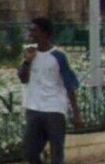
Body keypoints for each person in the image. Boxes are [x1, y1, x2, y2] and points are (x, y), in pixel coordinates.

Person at [19, 18, 83, 164]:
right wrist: (27, 61)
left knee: (56, 153)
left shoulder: (58, 57)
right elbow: (22, 78)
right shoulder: (29, 54)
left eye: (34, 30)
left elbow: (69, 85)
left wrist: (76, 113)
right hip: (34, 108)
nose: (31, 34)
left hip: (54, 110)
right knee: (29, 151)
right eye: (30, 30)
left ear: (45, 33)